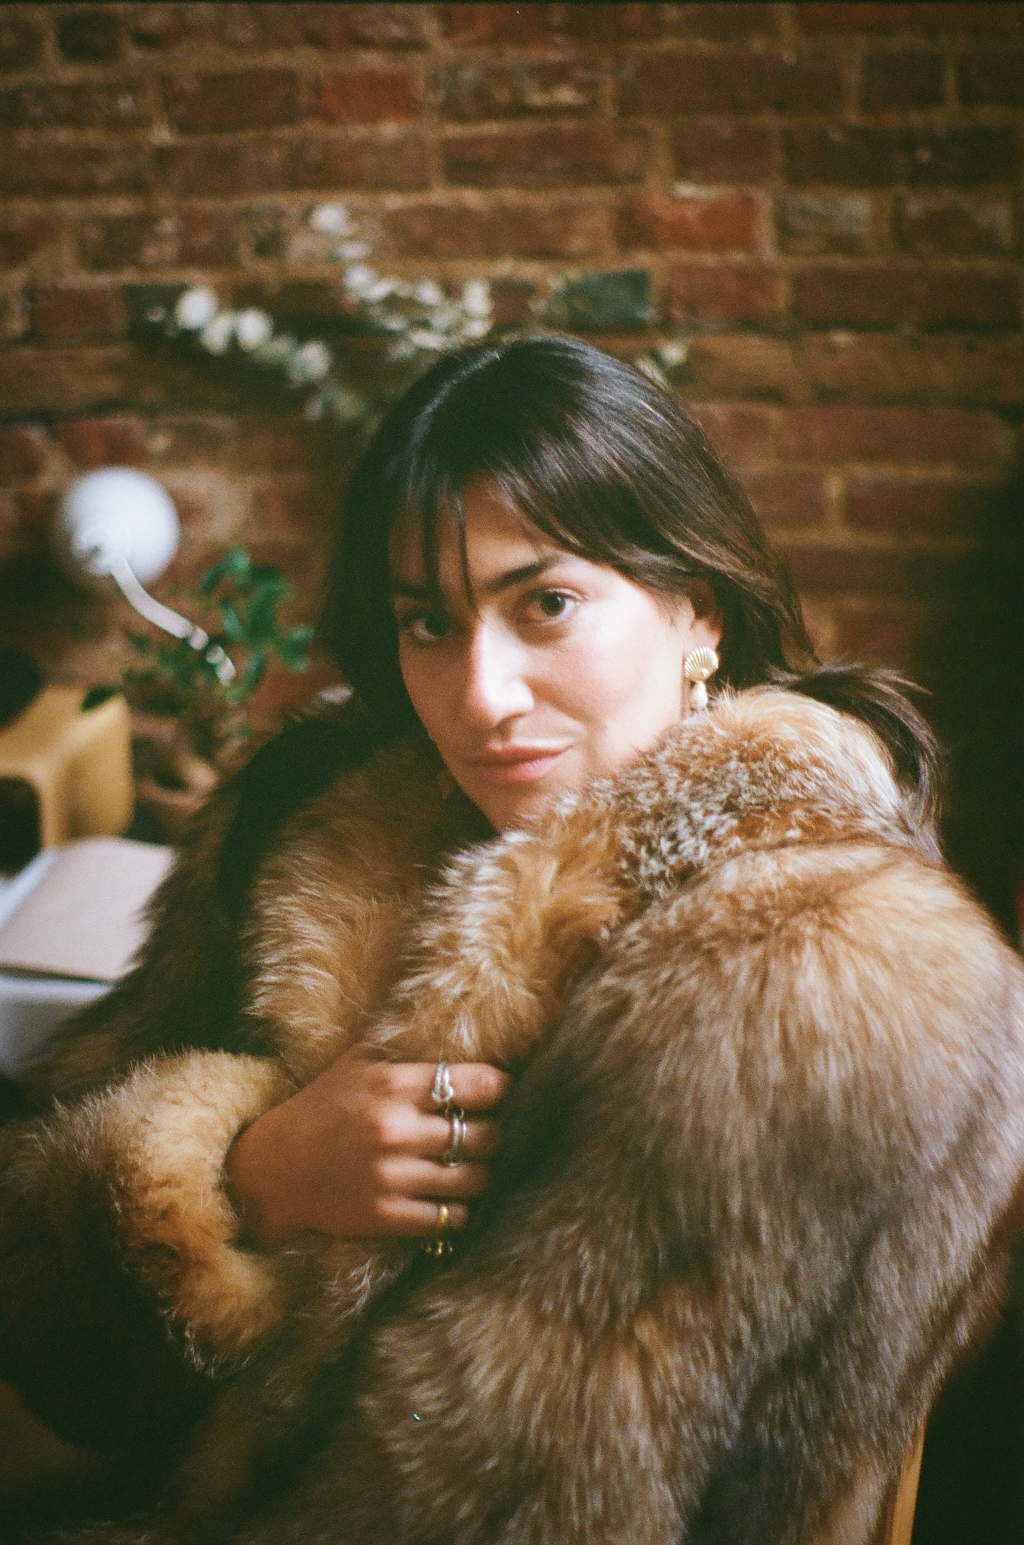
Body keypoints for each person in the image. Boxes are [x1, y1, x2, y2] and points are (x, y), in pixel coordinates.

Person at [0, 335, 1022, 1545]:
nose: (480, 696)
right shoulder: (321, 820)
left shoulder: (810, 975)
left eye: (546, 604)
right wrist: (251, 1180)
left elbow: (529, 1503)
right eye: (428, 621)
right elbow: (44, 1332)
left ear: (695, 608)